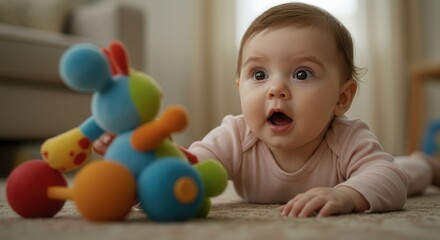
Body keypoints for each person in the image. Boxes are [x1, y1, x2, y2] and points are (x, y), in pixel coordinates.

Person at [93, 2, 440, 218]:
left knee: (407, 172)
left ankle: (427, 163)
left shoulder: (347, 137)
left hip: (393, 172)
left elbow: (388, 179)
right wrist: (140, 163)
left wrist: (346, 194)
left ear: (342, 98)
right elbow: (190, 168)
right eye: (259, 74)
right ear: (239, 87)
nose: (276, 88)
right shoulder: (236, 134)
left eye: (302, 74)